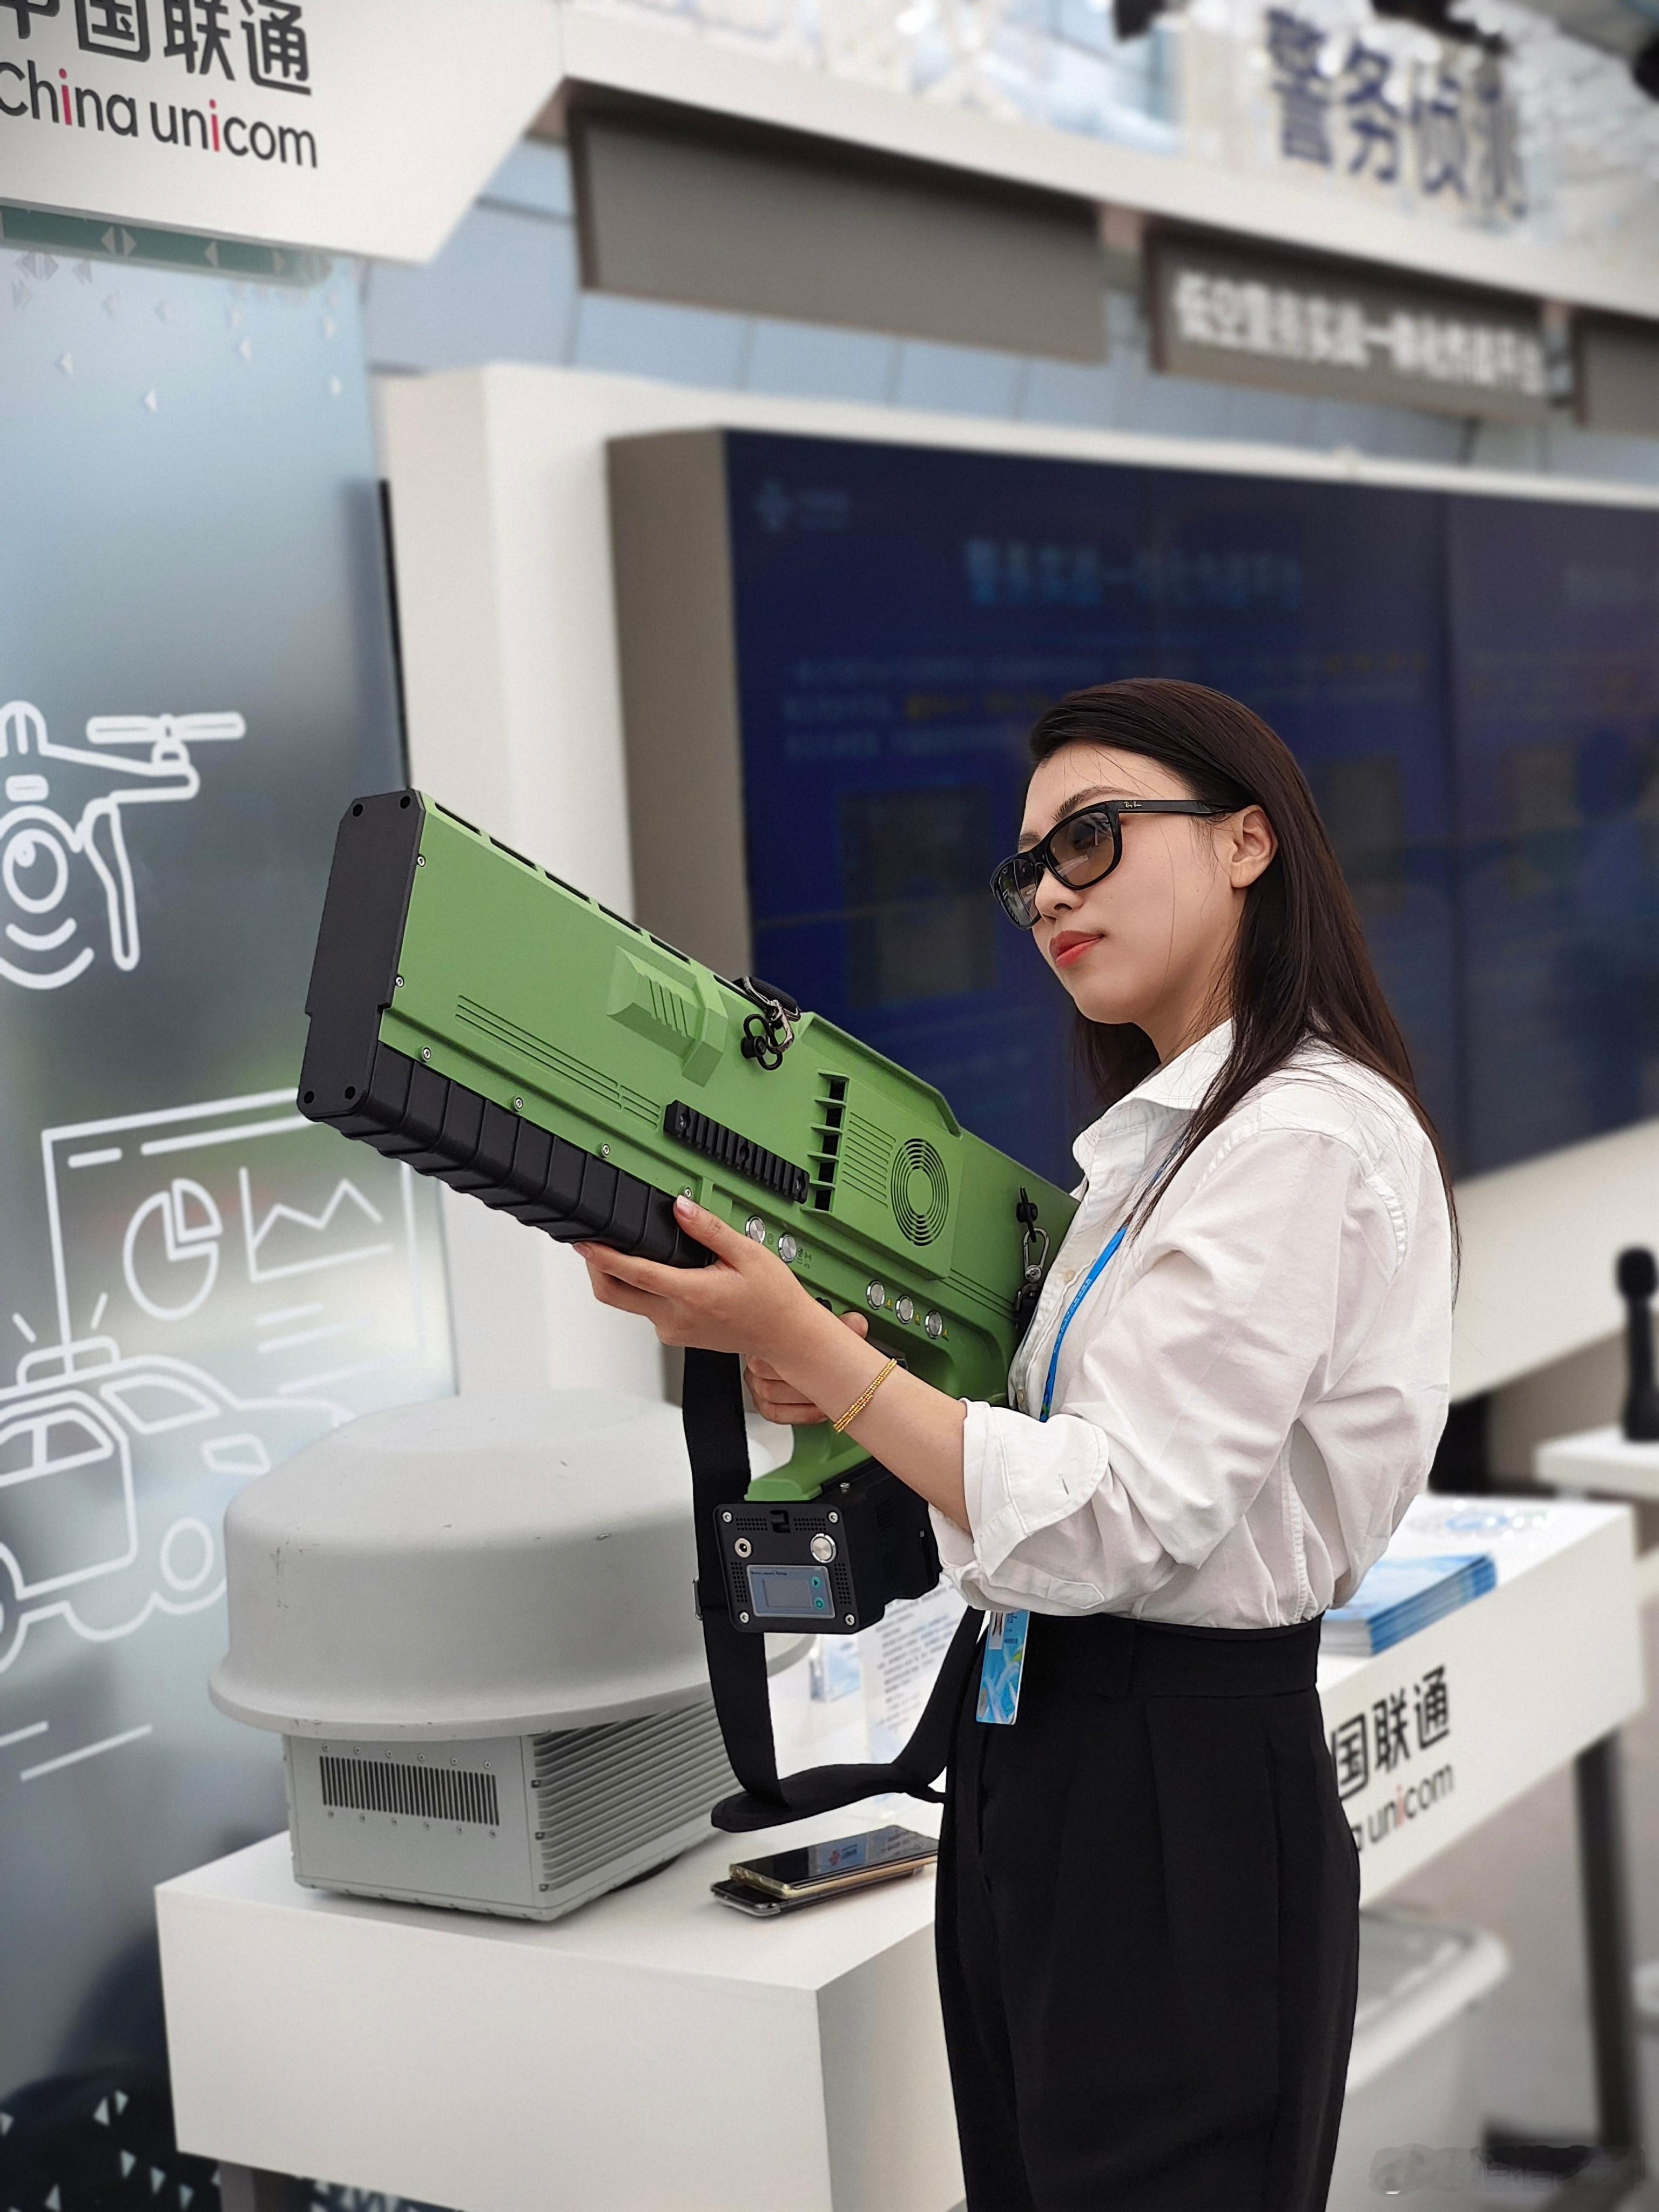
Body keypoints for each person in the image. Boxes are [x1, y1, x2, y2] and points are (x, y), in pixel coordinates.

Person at [574, 676, 1455, 2212]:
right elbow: (1065, 1448)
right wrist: (840, 1372)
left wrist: (826, 1354)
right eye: (1028, 865)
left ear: (1247, 841)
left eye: (1091, 839)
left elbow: (1121, 1517)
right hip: (1045, 1751)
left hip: (1171, 1777)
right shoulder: (1167, 1147)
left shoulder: (1301, 1138)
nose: (1048, 892)